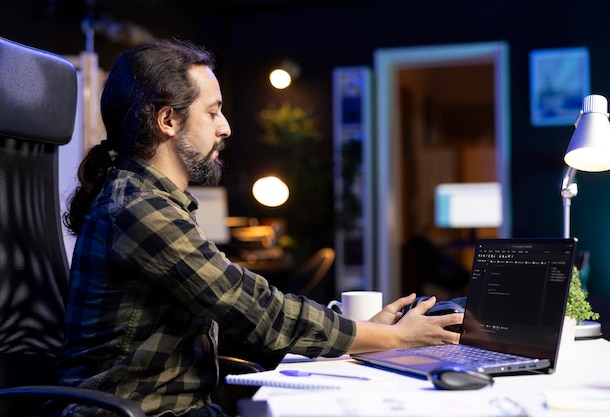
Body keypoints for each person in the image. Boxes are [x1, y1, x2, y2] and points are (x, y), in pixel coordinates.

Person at [56, 38, 462, 417]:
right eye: (212, 112)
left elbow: (240, 313)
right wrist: (392, 338)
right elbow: (252, 307)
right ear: (167, 121)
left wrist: (366, 332)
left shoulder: (149, 200)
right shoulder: (140, 208)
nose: (225, 127)